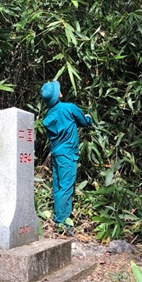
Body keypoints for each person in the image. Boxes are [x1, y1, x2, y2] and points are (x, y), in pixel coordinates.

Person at [40, 80, 93, 235]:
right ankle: (63, 224)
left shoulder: (48, 116)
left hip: (56, 153)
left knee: (58, 186)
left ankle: (58, 219)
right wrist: (89, 116)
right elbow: (84, 121)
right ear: (57, 95)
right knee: (66, 186)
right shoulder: (69, 108)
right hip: (68, 154)